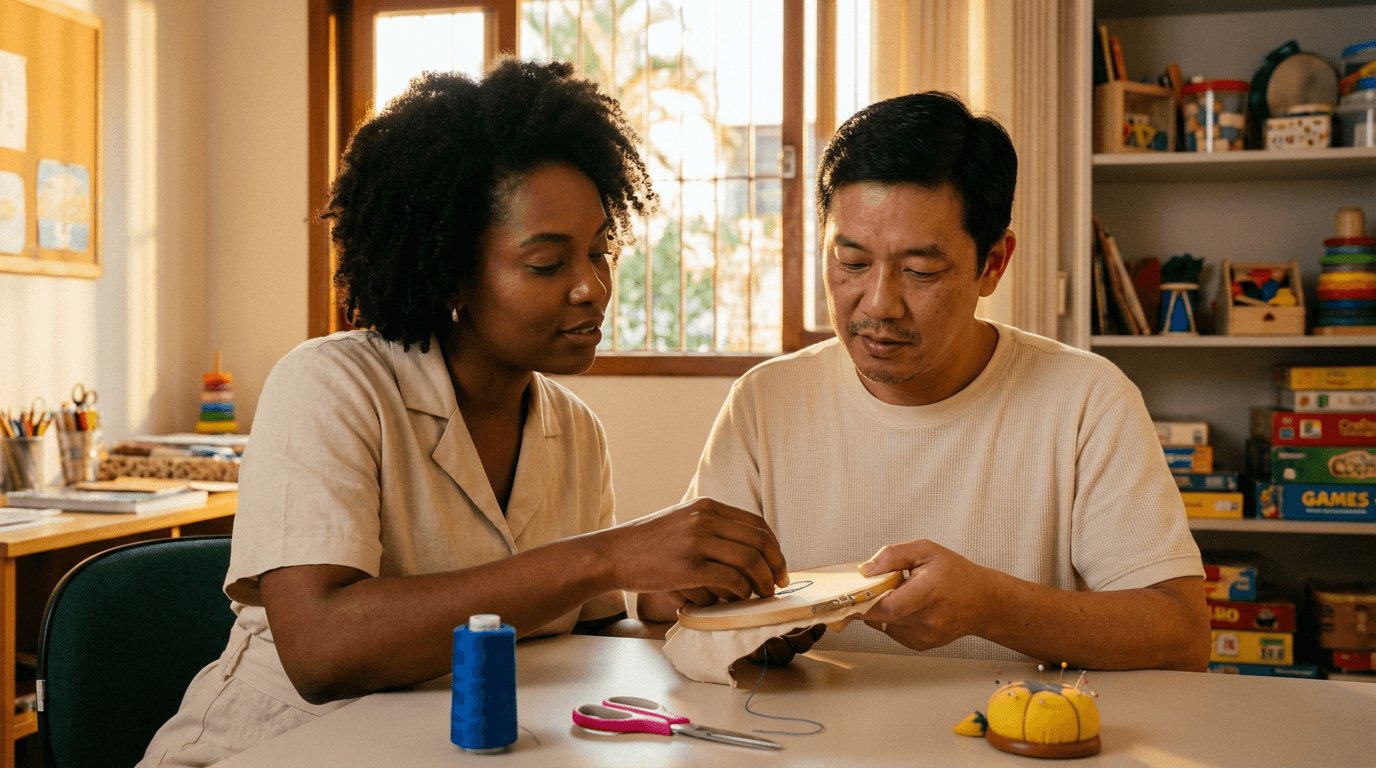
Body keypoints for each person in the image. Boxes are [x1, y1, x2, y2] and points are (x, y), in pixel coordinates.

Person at [138, 60, 788, 768]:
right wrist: (609, 553)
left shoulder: (571, 430)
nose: (593, 287)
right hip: (268, 752)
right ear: (451, 272)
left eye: (600, 252)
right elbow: (322, 650)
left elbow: (588, 641)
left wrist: (705, 623)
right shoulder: (330, 386)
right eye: (547, 265)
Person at [637, 91, 1211, 672]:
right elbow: (666, 606)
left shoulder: (1087, 400)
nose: (879, 304)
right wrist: (708, 605)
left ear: (993, 264)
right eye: (852, 263)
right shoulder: (765, 402)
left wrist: (992, 607)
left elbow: (1182, 636)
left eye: (920, 271)